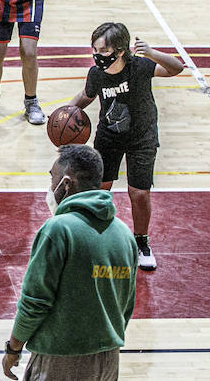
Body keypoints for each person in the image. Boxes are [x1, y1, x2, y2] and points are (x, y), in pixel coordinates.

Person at [3, 144, 137, 381]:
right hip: (107, 363)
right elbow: (127, 304)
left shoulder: (58, 229)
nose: (49, 186)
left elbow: (34, 300)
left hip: (59, 362)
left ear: (66, 183)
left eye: (51, 178)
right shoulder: (124, 234)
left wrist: (14, 347)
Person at [62, 22, 184, 271]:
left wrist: (151, 52)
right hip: (109, 137)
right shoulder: (97, 73)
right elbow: (87, 95)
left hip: (142, 137)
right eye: (94, 50)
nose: (97, 55)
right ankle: (97, 239)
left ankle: (141, 243)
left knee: (138, 193)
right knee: (99, 190)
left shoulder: (139, 67)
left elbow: (176, 68)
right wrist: (65, 113)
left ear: (119, 50)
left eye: (102, 51)